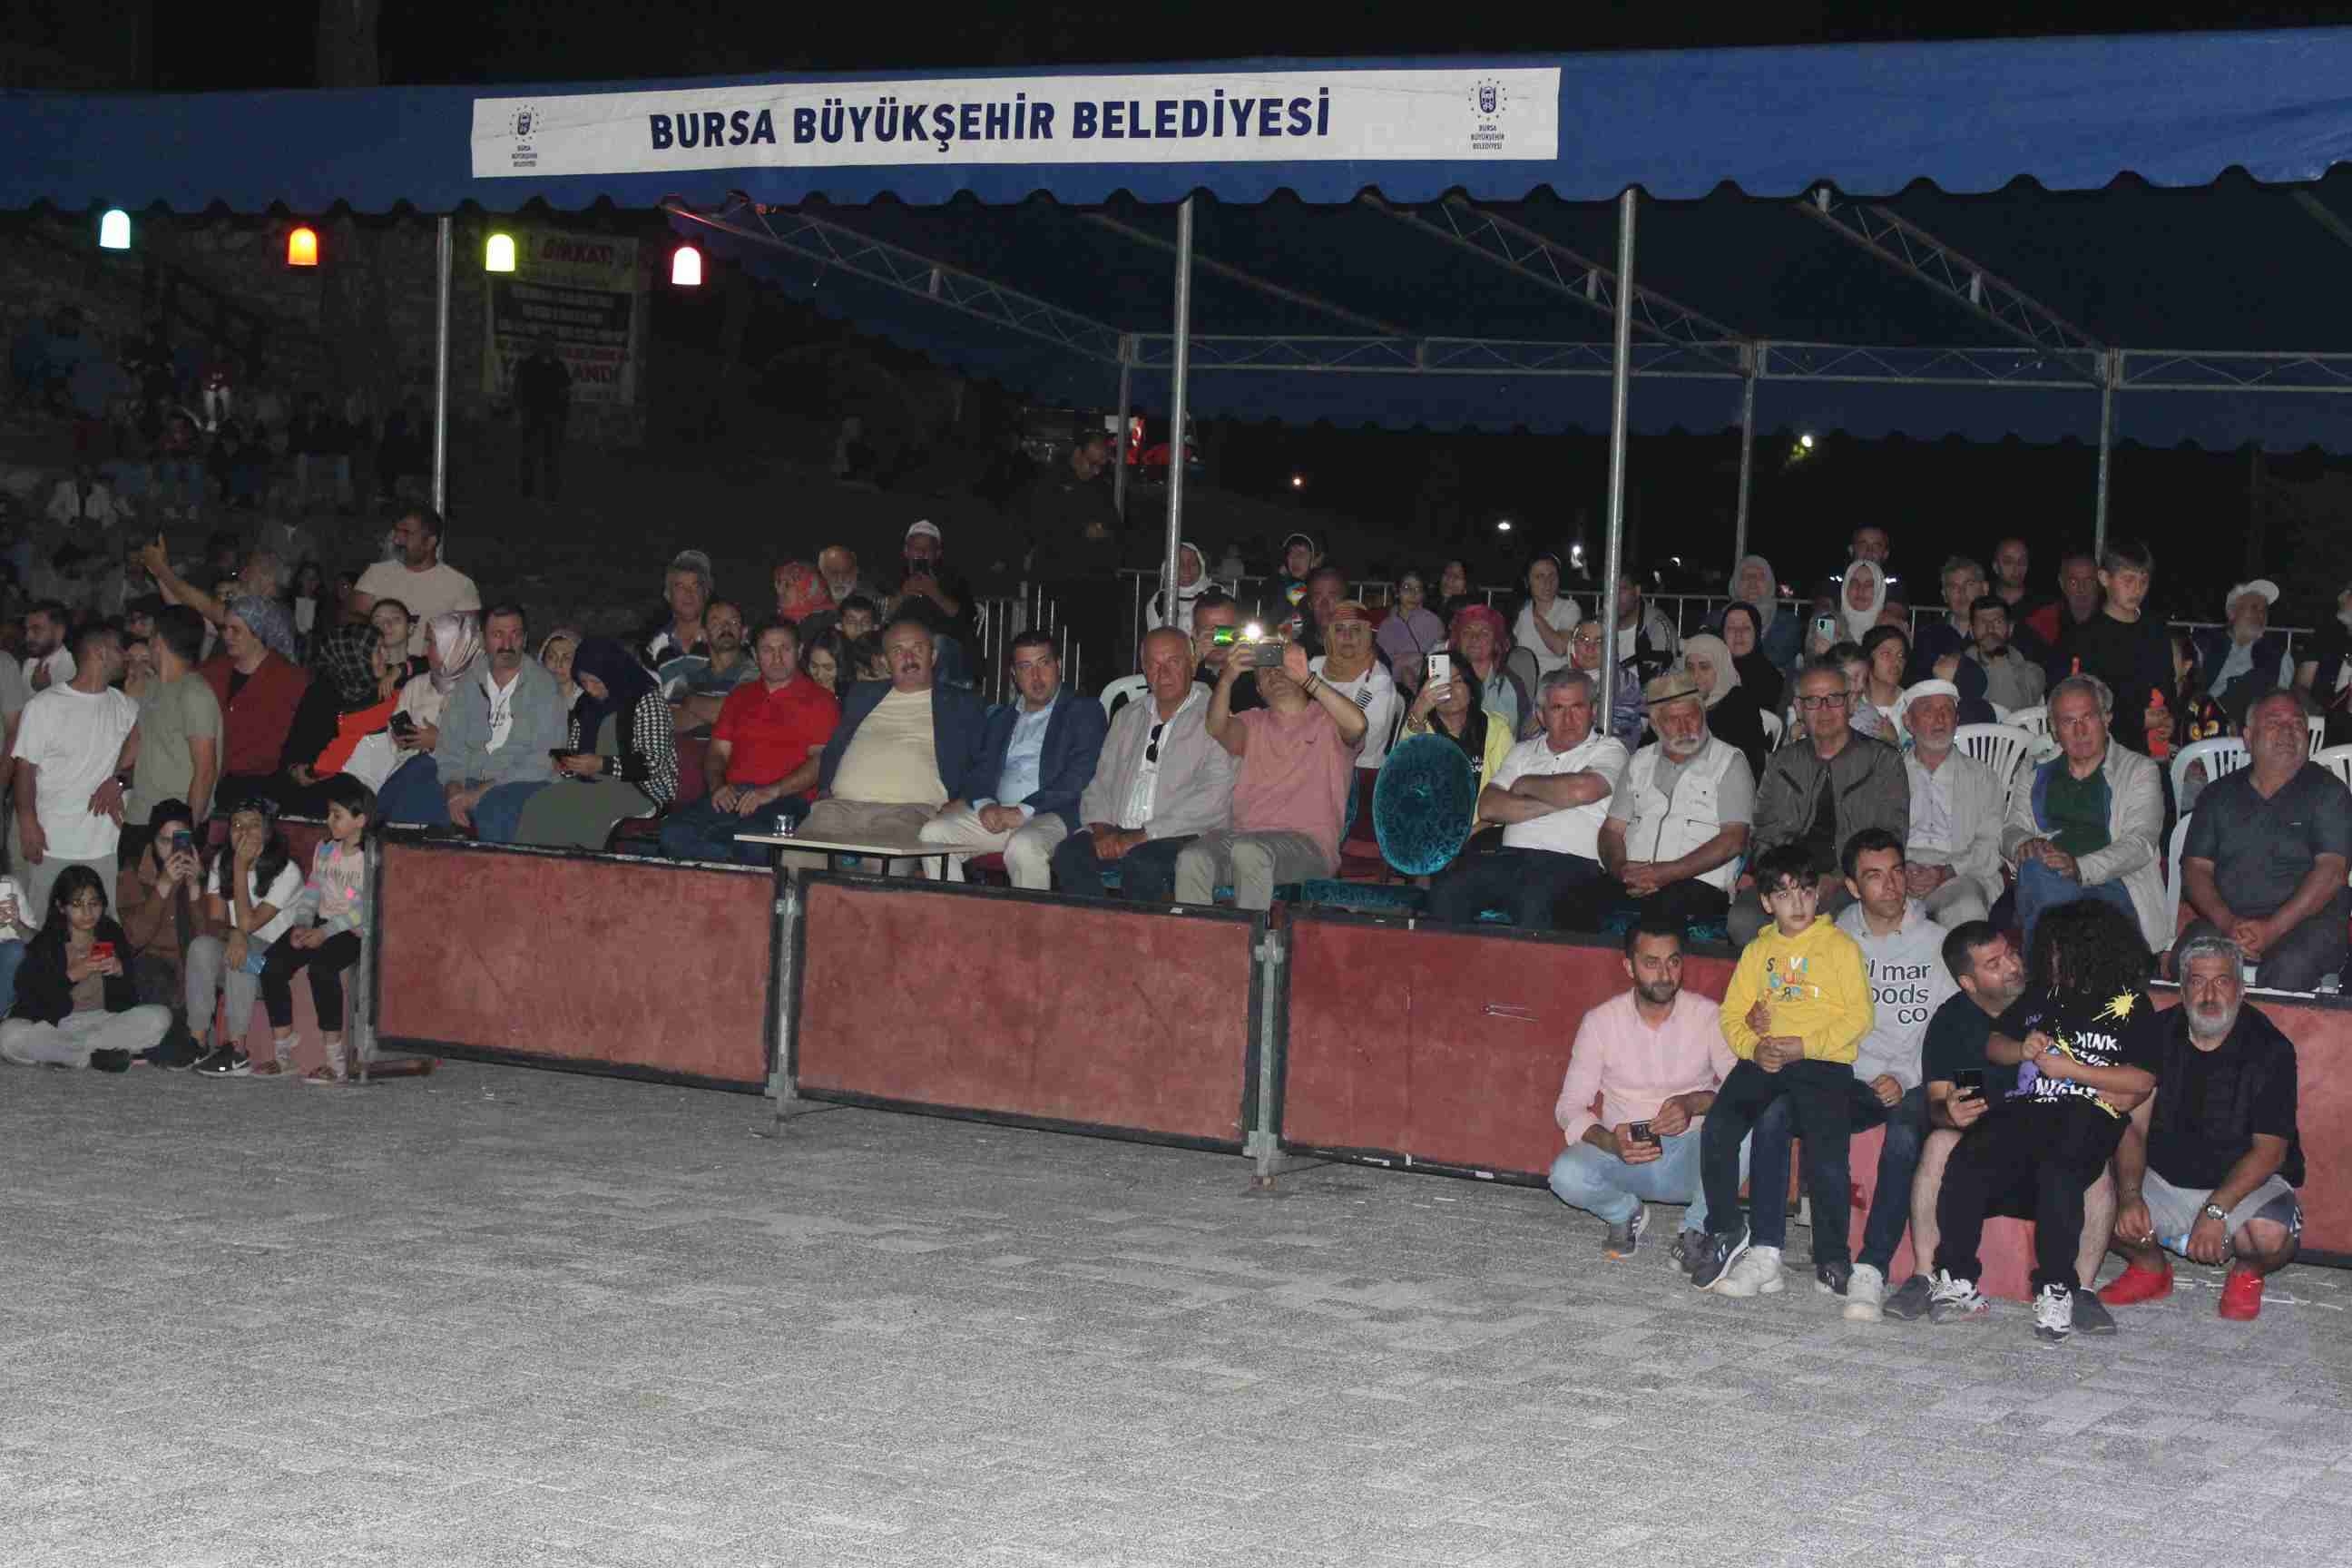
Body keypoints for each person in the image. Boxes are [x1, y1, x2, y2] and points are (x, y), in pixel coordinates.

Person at [1923, 899, 2160, 1344]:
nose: (2040, 957)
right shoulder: (2041, 997)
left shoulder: (2131, 1005)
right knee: (1969, 1157)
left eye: (2053, 948)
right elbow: (1994, 1044)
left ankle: (2056, 1287)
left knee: (2060, 1172)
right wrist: (2022, 1049)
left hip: (2089, 1111)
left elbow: (2142, 1078)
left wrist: (2073, 1071)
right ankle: (1956, 1278)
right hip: (2030, 1107)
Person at [1880, 921, 2118, 1331]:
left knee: (2093, 1154)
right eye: (1994, 963)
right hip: (1981, 1167)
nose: (2012, 966)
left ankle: (2079, 1289)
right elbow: (1937, 1103)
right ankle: (1927, 1276)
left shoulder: (2053, 1003)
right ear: (1968, 983)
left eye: (2011, 953)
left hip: (2056, 1156)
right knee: (1939, 1142)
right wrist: (1951, 1112)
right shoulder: (1953, 1021)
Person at [1754, 829, 1950, 1319]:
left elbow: (1949, 1030)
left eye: (1897, 872)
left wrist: (1904, 1075)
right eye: (1874, 876)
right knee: (1778, 1112)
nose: (1891, 885)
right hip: (1846, 1071)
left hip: (1912, 1076)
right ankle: (1775, 1252)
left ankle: (1872, 1267)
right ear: (1852, 886)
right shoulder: (1832, 940)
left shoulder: (1937, 944)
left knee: (1904, 1135)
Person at [1689, 840, 1875, 1295]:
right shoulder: (1758, 950)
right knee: (1719, 1129)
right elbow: (1732, 1016)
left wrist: (1805, 1046)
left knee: (1826, 1158)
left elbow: (1859, 1017)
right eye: (1785, 894)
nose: (1798, 903)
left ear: (1818, 895)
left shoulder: (1839, 946)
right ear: (1768, 902)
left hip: (1821, 1062)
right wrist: (1754, 1048)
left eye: (1806, 892)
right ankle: (1729, 1228)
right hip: (1767, 1056)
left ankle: (1832, 1256)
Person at [2102, 925, 2304, 1322]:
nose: (2209, 996)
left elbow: (2270, 1152)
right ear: (2182, 989)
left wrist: (2215, 1212)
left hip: (2242, 1188)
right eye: (2197, 982)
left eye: (2222, 982)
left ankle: (2246, 1275)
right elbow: (2133, 1127)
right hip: (2162, 1179)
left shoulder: (2271, 1049)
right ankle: (2150, 1268)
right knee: (2088, 1201)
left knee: (2269, 1238)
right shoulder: (2155, 1034)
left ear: (2241, 989)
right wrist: (2129, 1196)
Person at [1545, 916, 1738, 1263]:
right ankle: (1624, 1212)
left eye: (1673, 962)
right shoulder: (1601, 1022)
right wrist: (1610, 1142)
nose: (1664, 975)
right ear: (1629, 967)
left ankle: (1697, 1226)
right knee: (1565, 1175)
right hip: (1626, 1152)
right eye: (1651, 963)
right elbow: (1569, 1106)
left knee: (1754, 1120)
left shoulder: (1709, 1016)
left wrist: (1694, 1103)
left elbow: (1741, 1089)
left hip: (1694, 1153)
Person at [1178, 635, 1367, 911]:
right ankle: (1196, 938)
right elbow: (1216, 727)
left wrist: (1309, 679)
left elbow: (1358, 725)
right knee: (1192, 858)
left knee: (1250, 852)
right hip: (1244, 837)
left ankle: (1250, 938)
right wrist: (1227, 678)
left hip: (1309, 845)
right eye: (1265, 670)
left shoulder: (1328, 720)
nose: (1274, 674)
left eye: (1281, 667)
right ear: (1258, 688)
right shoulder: (1252, 721)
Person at [1728, 659, 1910, 946]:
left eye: (1834, 698)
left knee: (1839, 930)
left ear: (1851, 703)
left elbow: (1891, 836)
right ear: (1799, 709)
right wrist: (1785, 880)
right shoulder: (1782, 763)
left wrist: (1838, 878)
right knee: (1743, 920)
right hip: (1789, 879)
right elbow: (1764, 833)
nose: (1824, 710)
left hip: (1853, 882)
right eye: (1812, 701)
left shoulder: (1883, 761)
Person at [2181, 689, 2351, 992]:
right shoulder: (2218, 795)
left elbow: (2332, 872)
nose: (2288, 731)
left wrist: (2272, 929)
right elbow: (2195, 869)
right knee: (2190, 959)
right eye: (2274, 723)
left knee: (2287, 970)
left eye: (2297, 724)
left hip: (2306, 924)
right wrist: (2227, 923)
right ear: (2248, 737)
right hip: (2229, 921)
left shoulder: (2330, 793)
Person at [1427, 670, 1626, 929]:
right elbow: (1489, 806)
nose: (1569, 718)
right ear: (1541, 715)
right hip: (1510, 859)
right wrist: (1561, 799)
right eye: (1557, 708)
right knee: (1446, 891)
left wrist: (1524, 785)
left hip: (1575, 865)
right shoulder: (1523, 752)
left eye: (1577, 706)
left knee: (1535, 900)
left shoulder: (1609, 749)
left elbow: (1583, 790)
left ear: (1593, 710)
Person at [1052, 627, 1234, 903]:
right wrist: (1102, 830)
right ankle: (1101, 926)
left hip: (1184, 834)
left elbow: (1213, 797)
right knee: (1069, 855)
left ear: (1193, 664)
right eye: (1153, 664)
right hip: (1120, 829)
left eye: (1173, 662)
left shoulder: (1216, 716)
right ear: (1144, 670)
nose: (1163, 673)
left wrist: (1143, 835)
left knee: (1142, 864)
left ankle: (1140, 931)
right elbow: (1100, 782)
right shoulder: (1127, 716)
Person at [1564, 670, 1751, 933]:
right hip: (1633, 880)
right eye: (1673, 720)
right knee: (1570, 904)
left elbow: (1734, 840)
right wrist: (1620, 869)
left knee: (1654, 919)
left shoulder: (1729, 762)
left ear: (1703, 713)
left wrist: (1666, 873)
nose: (1685, 728)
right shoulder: (1639, 761)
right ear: (1655, 724)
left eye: (1691, 716)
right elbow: (1611, 831)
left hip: (1697, 884)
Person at [917, 632, 1107, 889]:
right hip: (1000, 813)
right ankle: (951, 913)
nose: (1036, 676)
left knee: (1023, 846)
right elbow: (980, 771)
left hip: (1055, 814)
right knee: (934, 833)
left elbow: (1080, 774)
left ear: (1059, 665)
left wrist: (1023, 811)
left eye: (1044, 663)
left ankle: (1029, 917)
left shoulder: (1084, 710)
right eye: (1025, 667)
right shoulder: (1001, 718)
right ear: (1014, 674)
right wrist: (985, 805)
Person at [2003, 674, 2167, 951]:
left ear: (2106, 719)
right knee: (2035, 871)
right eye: (2069, 721)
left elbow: (2140, 843)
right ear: (2055, 730)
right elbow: (2010, 829)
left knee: (2043, 890)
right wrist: (2023, 843)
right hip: (2047, 878)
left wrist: (2080, 868)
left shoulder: (2139, 770)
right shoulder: (2033, 770)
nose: (2080, 731)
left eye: (2087, 717)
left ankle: (2049, 969)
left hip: (2114, 883)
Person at [659, 622, 838, 866]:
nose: (777, 658)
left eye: (785, 649)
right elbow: (717, 752)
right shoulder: (739, 696)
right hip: (734, 795)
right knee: (672, 832)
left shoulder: (821, 700)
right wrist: (718, 786)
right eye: (767, 650)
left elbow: (819, 762)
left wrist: (770, 791)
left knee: (753, 842)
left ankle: (727, 872)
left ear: (799, 651)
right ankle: (727, 872)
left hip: (787, 798)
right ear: (754, 654)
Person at [806, 616, 989, 851]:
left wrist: (964, 800)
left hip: (908, 812)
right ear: (885, 661)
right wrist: (824, 790)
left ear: (933, 657)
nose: (909, 658)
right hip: (840, 808)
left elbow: (985, 759)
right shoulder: (861, 695)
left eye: (918, 649)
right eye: (898, 651)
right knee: (796, 860)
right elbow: (834, 749)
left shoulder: (962, 704)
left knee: (880, 867)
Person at [12, 622, 137, 927]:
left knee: (103, 931)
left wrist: (119, 781)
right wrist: (27, 822)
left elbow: (139, 761)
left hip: (105, 843)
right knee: (45, 927)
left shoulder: (126, 706)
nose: (126, 657)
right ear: (100, 652)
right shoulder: (44, 706)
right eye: (120, 650)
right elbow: (24, 769)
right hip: (53, 840)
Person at [255, 775, 376, 1083]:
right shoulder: (325, 849)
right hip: (320, 923)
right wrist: (302, 923)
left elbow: (363, 908)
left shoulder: (371, 857)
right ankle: (283, 1053)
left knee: (322, 970)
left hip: (352, 930)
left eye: (337, 815)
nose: (329, 821)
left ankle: (335, 1062)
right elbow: (312, 889)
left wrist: (326, 932)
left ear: (360, 820)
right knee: (271, 966)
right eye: (329, 814)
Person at [512, 637, 677, 850]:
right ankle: (531, 867)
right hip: (593, 783)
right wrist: (568, 764)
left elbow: (653, 763)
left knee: (581, 812)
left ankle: (581, 867)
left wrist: (602, 764)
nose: (590, 689)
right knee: (538, 804)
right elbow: (577, 750)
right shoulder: (585, 705)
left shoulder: (647, 700)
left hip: (641, 789)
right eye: (584, 681)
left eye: (596, 682)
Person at [0, 866, 171, 1071]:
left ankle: (74, 1054)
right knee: (9, 1036)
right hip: (58, 1026)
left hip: (105, 1022)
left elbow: (128, 1000)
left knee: (160, 1017)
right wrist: (71, 976)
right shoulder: (49, 940)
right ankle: (95, 1055)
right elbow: (32, 1000)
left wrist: (121, 971)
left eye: (94, 904)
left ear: (102, 904)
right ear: (61, 907)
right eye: (77, 904)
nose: (87, 913)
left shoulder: (111, 932)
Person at [186, 796, 307, 1077]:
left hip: (272, 971)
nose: (243, 832)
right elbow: (215, 922)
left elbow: (248, 924)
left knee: (244, 950)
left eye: (253, 824)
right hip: (235, 961)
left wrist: (240, 867)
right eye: (237, 825)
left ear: (267, 831)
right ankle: (197, 1041)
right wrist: (233, 935)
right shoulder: (221, 862)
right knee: (202, 946)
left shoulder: (287, 871)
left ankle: (237, 1049)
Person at [429, 604, 568, 838]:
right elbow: (450, 746)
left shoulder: (544, 687)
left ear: (525, 639)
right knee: (419, 792)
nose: (507, 644)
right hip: (471, 776)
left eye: (515, 634)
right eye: (498, 635)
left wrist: (482, 792)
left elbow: (544, 759)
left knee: (494, 812)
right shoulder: (469, 683)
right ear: (483, 640)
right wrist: (453, 788)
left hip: (521, 781)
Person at [1897, 681, 2005, 927]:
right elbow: (1876, 834)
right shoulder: (1889, 774)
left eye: (1946, 710)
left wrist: (1946, 871)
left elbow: (1991, 844)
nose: (1939, 718)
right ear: (1908, 722)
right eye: (1928, 710)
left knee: (1967, 908)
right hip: (1899, 872)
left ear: (1956, 720)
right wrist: (1900, 866)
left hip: (1959, 875)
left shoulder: (1982, 776)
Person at [270, 621, 401, 813]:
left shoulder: (390, 683)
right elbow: (300, 751)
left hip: (384, 789)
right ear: (355, 656)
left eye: (384, 648)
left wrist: (399, 670)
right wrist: (299, 771)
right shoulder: (323, 694)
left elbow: (423, 666)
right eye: (377, 650)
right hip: (333, 792)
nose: (386, 656)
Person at [2055, 539, 2172, 756]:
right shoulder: (2085, 638)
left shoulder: (2156, 630)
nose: (2137, 589)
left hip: (2153, 747)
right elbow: (2084, 707)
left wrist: (2169, 719)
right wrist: (2137, 719)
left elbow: (2168, 686)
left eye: (2143, 581)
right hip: (2107, 750)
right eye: (2128, 580)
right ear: (2104, 578)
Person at [123, 605, 220, 862]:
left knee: (164, 888)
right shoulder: (154, 685)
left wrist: (182, 840)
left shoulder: (194, 693)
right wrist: (115, 782)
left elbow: (206, 771)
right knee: (128, 886)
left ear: (157, 641)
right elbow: (137, 739)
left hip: (172, 827)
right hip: (140, 815)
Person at [199, 596, 310, 805]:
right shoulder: (212, 671)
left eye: (236, 630)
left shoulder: (291, 680)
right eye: (225, 628)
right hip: (210, 780)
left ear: (259, 633)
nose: (227, 636)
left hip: (262, 789)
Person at [115, 796, 202, 1064]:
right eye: (165, 841)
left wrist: (195, 888)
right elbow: (135, 939)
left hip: (189, 970)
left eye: (180, 841)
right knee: (151, 971)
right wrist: (162, 886)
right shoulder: (133, 872)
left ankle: (168, 1041)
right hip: (150, 970)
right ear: (152, 842)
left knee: (180, 1042)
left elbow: (207, 942)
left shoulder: (204, 869)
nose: (173, 851)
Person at [375, 612, 480, 825]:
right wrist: (400, 740)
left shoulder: (481, 690)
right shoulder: (417, 685)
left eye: (433, 643)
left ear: (455, 647)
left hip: (454, 782)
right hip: (408, 775)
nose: (426, 651)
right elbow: (394, 733)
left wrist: (439, 741)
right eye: (427, 642)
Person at [1394, 652, 1514, 831]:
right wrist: (1418, 710)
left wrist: (1474, 832)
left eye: (1457, 681)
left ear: (1471, 688)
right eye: (1440, 683)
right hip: (1432, 833)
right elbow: (1402, 780)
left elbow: (1510, 791)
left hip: (1485, 833)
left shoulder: (1496, 729)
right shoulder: (1420, 732)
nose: (1449, 688)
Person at [348, 511, 480, 657]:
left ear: (430, 542)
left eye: (406, 533)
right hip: (378, 666)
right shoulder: (375, 574)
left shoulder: (461, 585)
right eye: (397, 532)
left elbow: (466, 644)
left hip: (430, 669)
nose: (397, 540)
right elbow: (351, 622)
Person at [1308, 601, 1400, 775]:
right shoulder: (1314, 667)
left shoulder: (1378, 680)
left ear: (1366, 634)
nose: (1347, 636)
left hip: (1358, 771)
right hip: (1312, 761)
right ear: (1330, 635)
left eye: (1356, 629)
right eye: (1339, 629)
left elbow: (1368, 745)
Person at [2193, 578, 2294, 726]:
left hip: (2250, 728)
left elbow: (2279, 706)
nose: (2260, 615)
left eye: (2264, 610)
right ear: (2232, 612)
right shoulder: (2204, 645)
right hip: (2200, 722)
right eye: (2254, 607)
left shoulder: (2279, 657)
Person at [887, 521, 975, 671]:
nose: (921, 552)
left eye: (928, 549)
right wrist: (903, 594)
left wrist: (935, 593)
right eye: (916, 548)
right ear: (906, 551)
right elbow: (883, 618)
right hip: (904, 644)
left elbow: (966, 618)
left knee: (938, 643)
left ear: (938, 553)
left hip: (943, 647)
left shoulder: (954, 580)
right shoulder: (894, 579)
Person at [1680, 632, 1769, 781]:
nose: (1695, 676)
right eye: (1690, 668)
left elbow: (1750, 766)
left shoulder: (1740, 705)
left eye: (1704, 667)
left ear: (1720, 667)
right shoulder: (1677, 700)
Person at [661, 598, 755, 732]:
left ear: (744, 633)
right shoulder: (689, 677)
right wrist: (717, 711)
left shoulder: (756, 671)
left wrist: (690, 701)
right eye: (716, 623)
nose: (726, 627)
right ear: (703, 635)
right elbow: (670, 720)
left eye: (734, 622)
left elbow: (740, 714)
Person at [1446, 604, 1526, 739]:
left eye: (1484, 633)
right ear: (1458, 641)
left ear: (1496, 642)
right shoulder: (1443, 680)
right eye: (1467, 632)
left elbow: (1526, 733)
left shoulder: (1512, 684)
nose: (1474, 637)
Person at [1908, 555, 1986, 682]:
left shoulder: (1999, 632)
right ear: (1944, 595)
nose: (1961, 592)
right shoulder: (1928, 637)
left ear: (1985, 589)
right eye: (1953, 587)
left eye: (1969, 584)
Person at [1964, 594, 2045, 713]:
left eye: (1998, 622)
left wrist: (1999, 657)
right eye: (1982, 623)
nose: (1990, 629)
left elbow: (2009, 712)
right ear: (1971, 631)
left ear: (2010, 628)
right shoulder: (1957, 671)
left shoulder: (2032, 672)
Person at [1568, 620, 1643, 749]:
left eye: (1600, 641)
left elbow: (1620, 737)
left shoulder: (1625, 683)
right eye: (1583, 639)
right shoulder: (1559, 679)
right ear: (1572, 644)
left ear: (1612, 646)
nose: (1590, 648)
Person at [2294, 580, 2352, 747]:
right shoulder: (2324, 636)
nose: (2341, 599)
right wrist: (2319, 715)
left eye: (2348, 594)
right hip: (2324, 723)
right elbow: (2300, 686)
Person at [514, 337, 572, 501]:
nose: (547, 346)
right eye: (544, 343)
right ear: (538, 345)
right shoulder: (528, 365)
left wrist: (563, 416)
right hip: (532, 416)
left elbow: (565, 393)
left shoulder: (559, 366)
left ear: (553, 346)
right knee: (529, 455)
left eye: (550, 343)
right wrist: (522, 410)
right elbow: (519, 389)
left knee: (551, 456)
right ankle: (527, 489)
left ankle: (550, 491)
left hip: (552, 418)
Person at [1187, 593, 1261, 716]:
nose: (1217, 639)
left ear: (1238, 632)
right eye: (1209, 632)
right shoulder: (1183, 671)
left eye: (1225, 631)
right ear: (1195, 634)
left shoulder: (1256, 674)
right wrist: (1194, 665)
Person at [638, 549, 714, 670]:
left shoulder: (725, 637)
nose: (688, 593)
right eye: (680, 586)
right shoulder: (655, 648)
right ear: (668, 595)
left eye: (696, 585)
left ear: (707, 593)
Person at [1512, 554, 1581, 682]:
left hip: (1557, 683)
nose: (1547, 582)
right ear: (1527, 582)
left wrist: (1535, 616)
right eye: (1539, 576)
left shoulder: (1569, 608)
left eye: (1552, 576)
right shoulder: (1519, 611)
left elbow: (1560, 648)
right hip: (1524, 682)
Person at [1374, 572, 1445, 694]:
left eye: (1418, 589)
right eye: (1407, 588)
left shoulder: (1434, 621)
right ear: (1397, 592)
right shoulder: (1386, 626)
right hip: (1396, 686)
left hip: (1429, 681)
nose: (1413, 594)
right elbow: (1382, 665)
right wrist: (1402, 669)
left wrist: (1417, 664)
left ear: (1423, 594)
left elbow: (1440, 657)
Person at [1729, 555, 1802, 673]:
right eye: (1746, 577)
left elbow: (1776, 657)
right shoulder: (1718, 618)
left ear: (1770, 583)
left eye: (1760, 577)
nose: (1752, 582)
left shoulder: (1787, 622)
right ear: (1736, 583)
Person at [796, 545, 872, 647]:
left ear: (856, 571)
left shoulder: (875, 603)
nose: (840, 580)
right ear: (821, 573)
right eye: (833, 573)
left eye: (846, 572)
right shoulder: (805, 611)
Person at [1719, 601, 1785, 715]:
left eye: (1746, 628)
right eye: (1731, 628)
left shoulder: (1771, 679)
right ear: (1722, 633)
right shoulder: (1710, 671)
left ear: (1757, 633)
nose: (1738, 634)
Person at [1144, 540, 1210, 638]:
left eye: (1192, 563)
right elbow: (1156, 639)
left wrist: (1213, 643)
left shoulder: (1217, 594)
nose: (1187, 568)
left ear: (1201, 565)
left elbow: (1227, 634)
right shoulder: (1159, 600)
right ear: (1169, 567)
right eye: (1180, 564)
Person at [1614, 573, 1680, 672]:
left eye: (1622, 589)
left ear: (1637, 591)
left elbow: (1661, 675)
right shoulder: (1599, 623)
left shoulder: (1658, 626)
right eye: (1610, 590)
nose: (1615, 596)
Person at [1858, 625, 1911, 739]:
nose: (1896, 662)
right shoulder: (1853, 703)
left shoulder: (1912, 706)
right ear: (1868, 658)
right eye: (1886, 654)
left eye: (1900, 655)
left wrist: (1894, 741)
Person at [370, 598, 426, 686]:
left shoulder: (424, 668)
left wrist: (402, 669)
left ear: (410, 628)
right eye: (378, 622)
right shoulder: (367, 672)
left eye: (396, 619)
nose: (386, 624)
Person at [22, 599, 74, 691]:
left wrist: (45, 691)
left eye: (36, 629)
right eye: (27, 630)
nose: (28, 637)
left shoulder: (74, 667)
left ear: (59, 632)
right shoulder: (29, 663)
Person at [770, 561, 835, 630]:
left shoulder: (819, 628)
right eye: (778, 582)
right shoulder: (779, 618)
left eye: (787, 585)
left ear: (806, 595)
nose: (779, 590)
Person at [1838, 559, 1886, 644]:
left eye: (1869, 584)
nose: (1860, 590)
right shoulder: (1829, 627)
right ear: (1845, 587)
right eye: (1854, 583)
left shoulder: (1891, 634)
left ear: (1879, 590)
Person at [539, 627, 582, 711]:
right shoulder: (530, 698)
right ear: (543, 660)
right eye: (552, 657)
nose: (558, 664)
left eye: (567, 658)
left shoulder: (588, 703)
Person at [798, 629, 846, 698]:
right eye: (814, 666)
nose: (820, 675)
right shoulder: (799, 694)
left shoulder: (854, 697)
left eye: (828, 668)